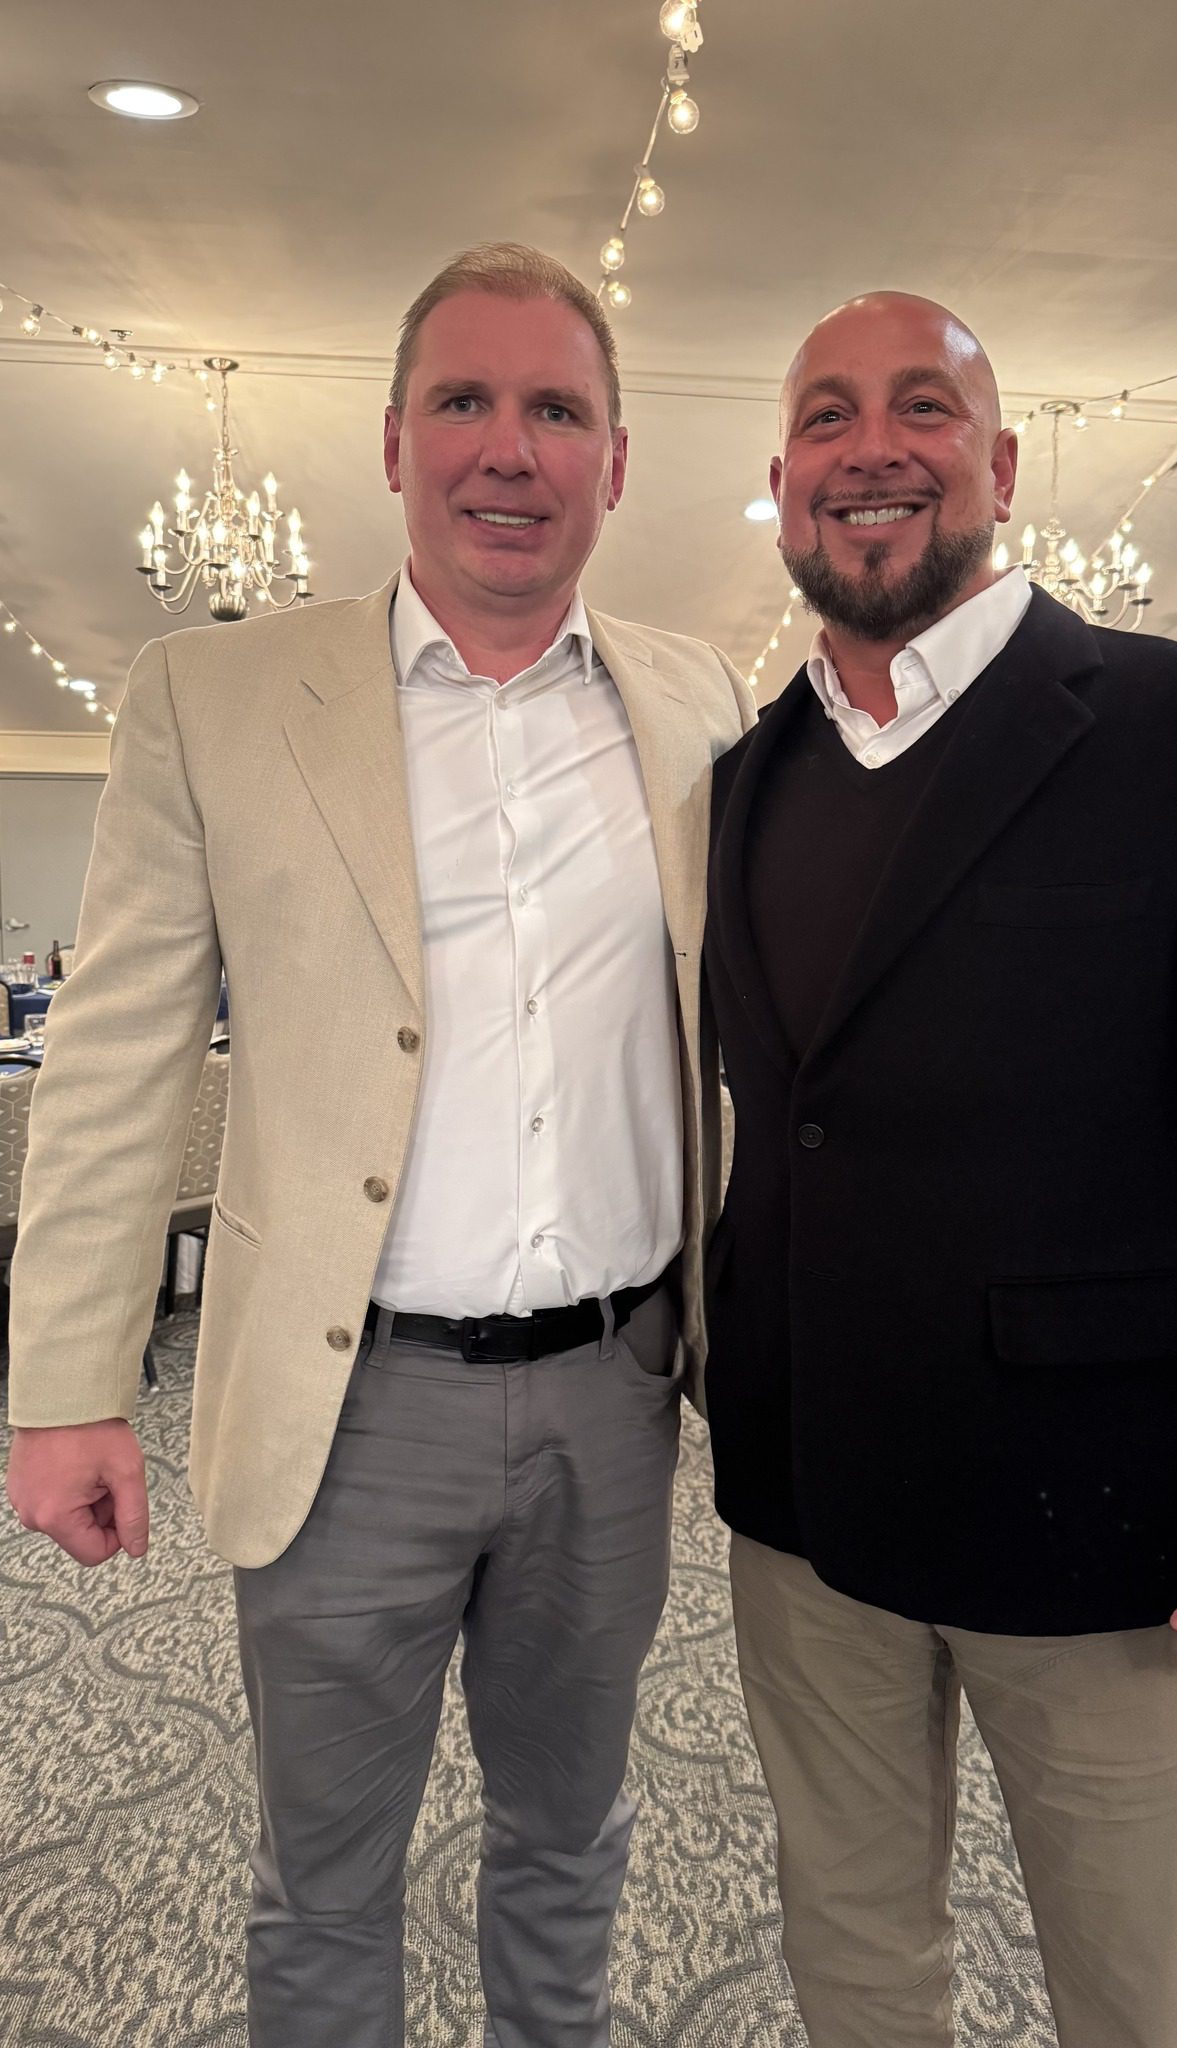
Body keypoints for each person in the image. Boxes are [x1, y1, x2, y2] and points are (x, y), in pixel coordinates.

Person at [6, 241, 752, 2048]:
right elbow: (113, 1055)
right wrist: (64, 1383)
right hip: (350, 1405)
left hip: (616, 1389)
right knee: (322, 1880)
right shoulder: (216, 697)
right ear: (395, 441)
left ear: (618, 461)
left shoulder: (708, 706)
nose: (511, 447)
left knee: (570, 1841)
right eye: (466, 402)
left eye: (557, 409)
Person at [700, 290, 1177, 2048]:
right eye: (825, 417)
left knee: (1133, 1990)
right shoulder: (745, 775)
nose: (871, 448)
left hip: (1100, 1520)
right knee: (856, 1960)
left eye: (922, 409)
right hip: (800, 1502)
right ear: (782, 480)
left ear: (1001, 463)